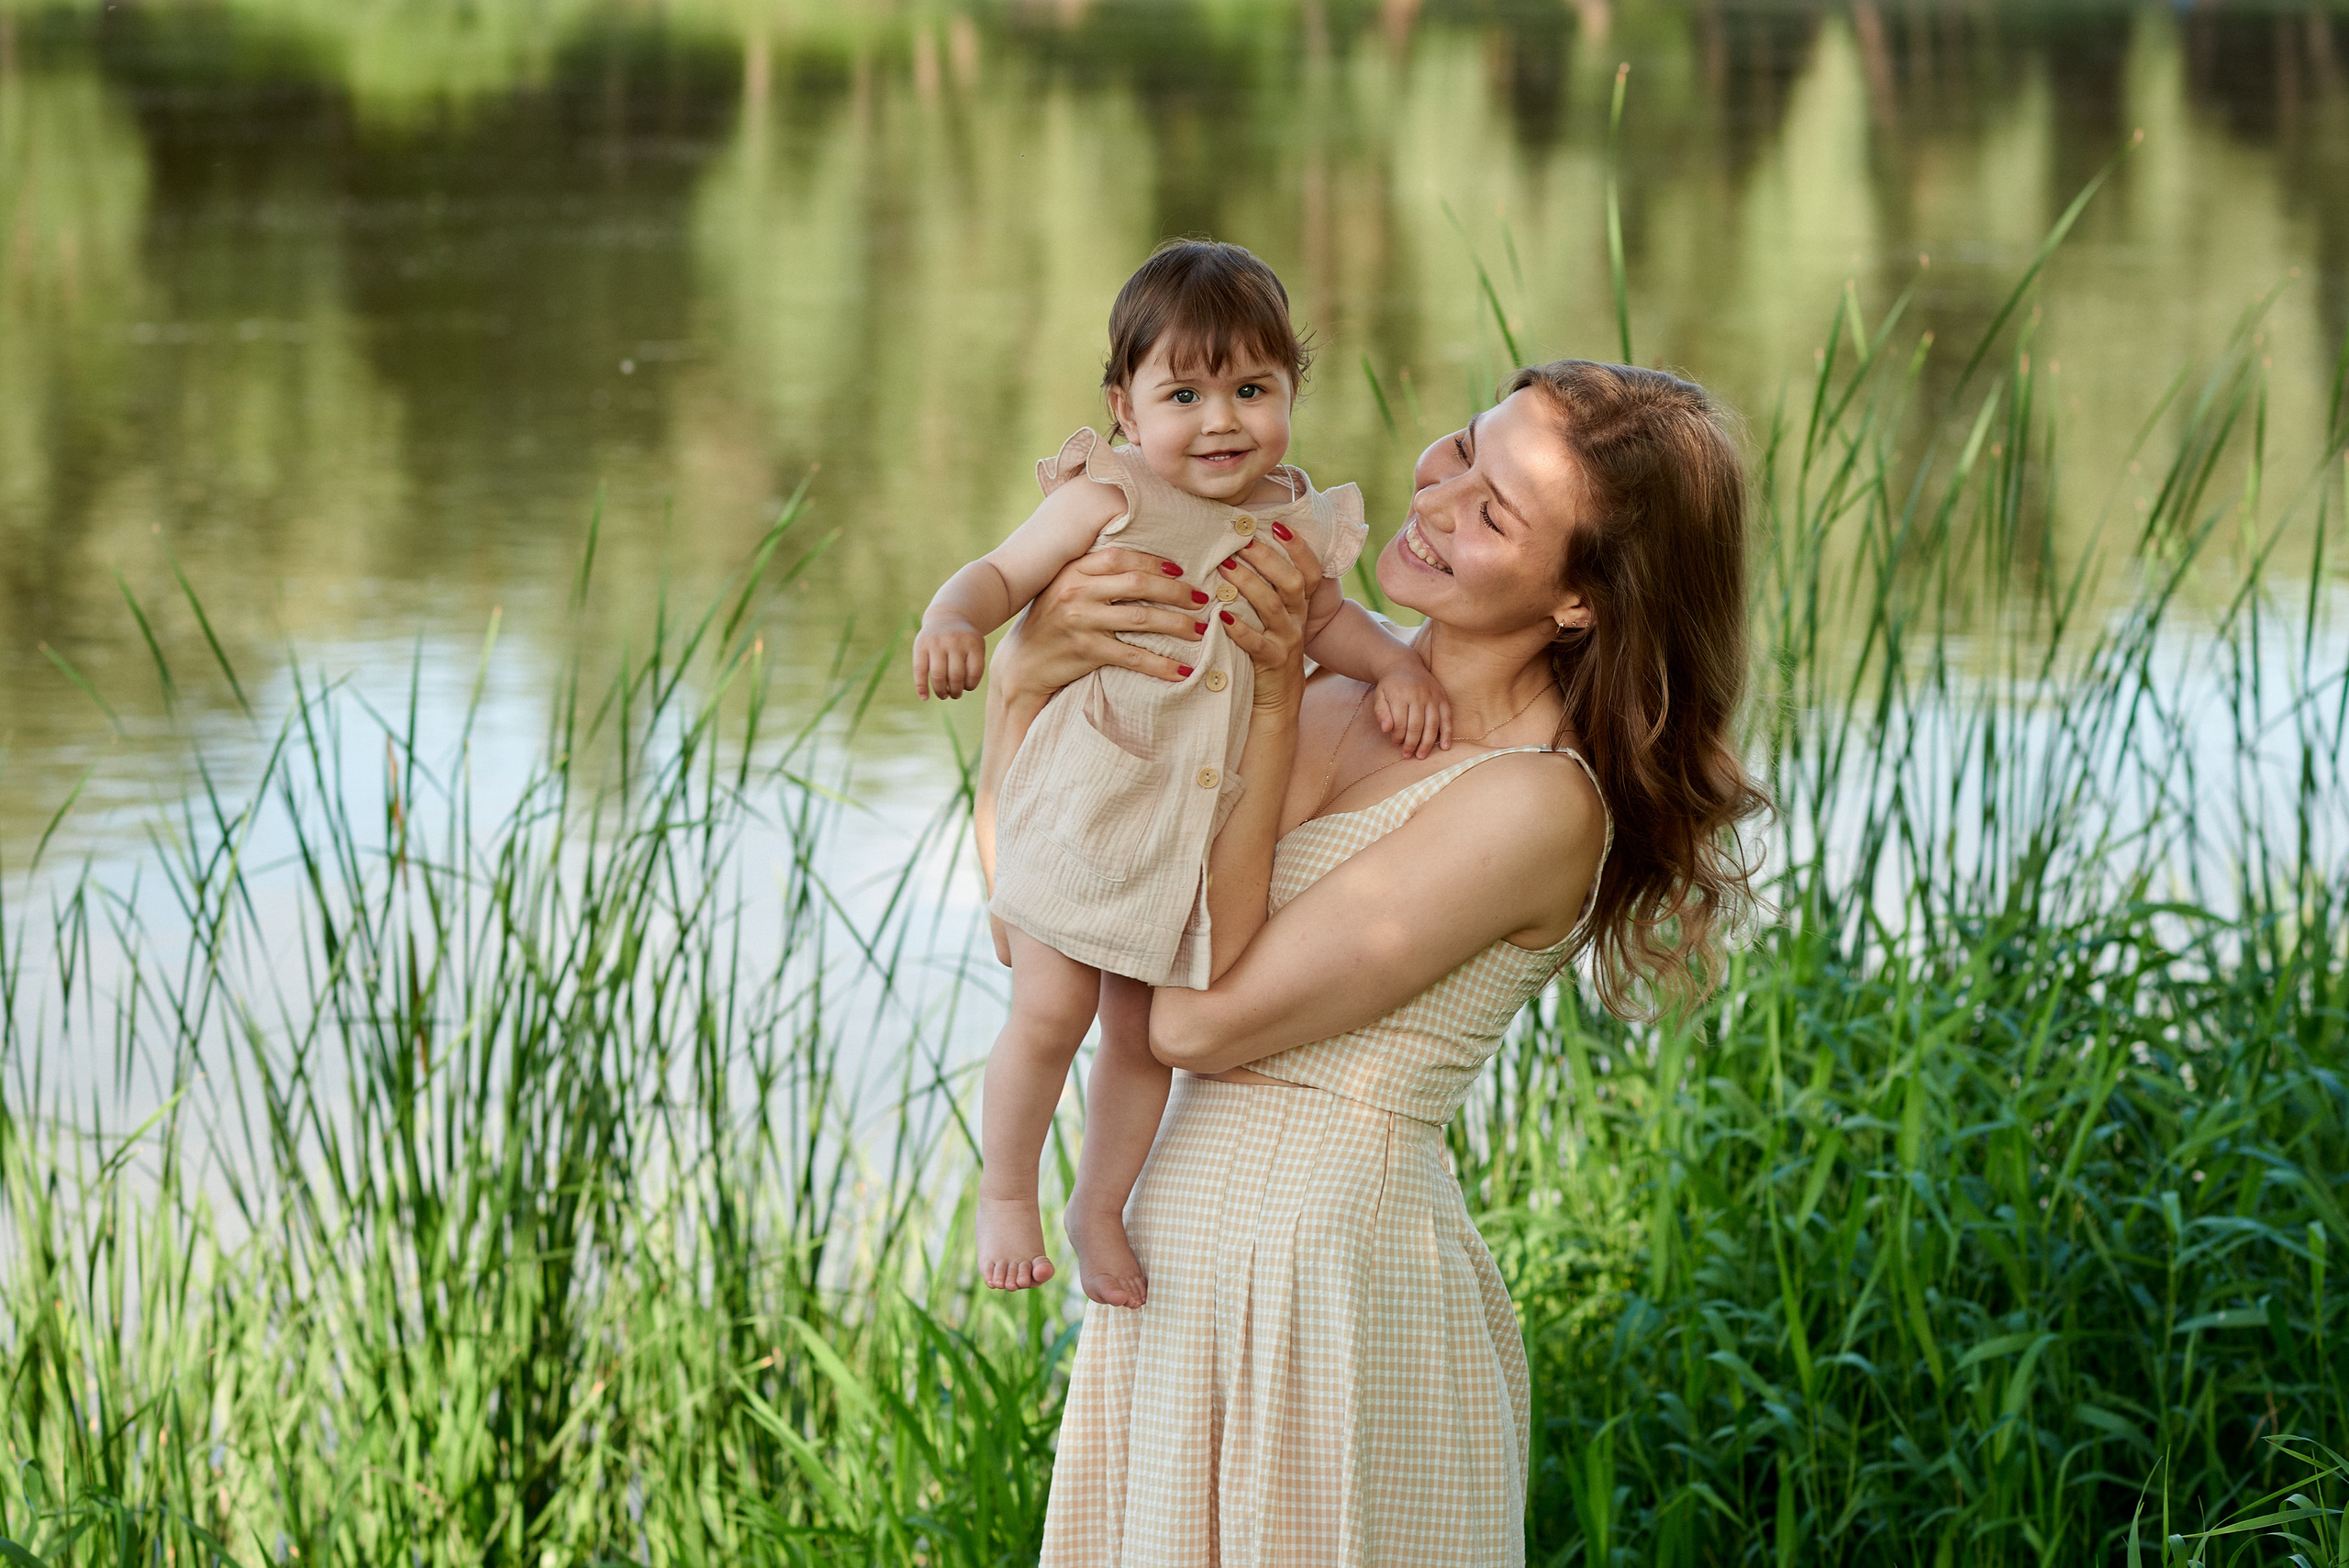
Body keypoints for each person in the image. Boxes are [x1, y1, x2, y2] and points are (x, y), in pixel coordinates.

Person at [977, 361, 1768, 1564]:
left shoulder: (1535, 807)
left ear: (1581, 603)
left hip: (1331, 1288)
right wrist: (1022, 682)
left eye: (1495, 509)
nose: (1437, 496)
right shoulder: (1321, 670)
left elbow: (1192, 1023)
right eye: (1459, 447)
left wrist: (1272, 704)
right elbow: (1040, 922)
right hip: (1177, 1270)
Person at [911, 240, 1453, 1308]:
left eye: (1254, 389)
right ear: (1124, 406)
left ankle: (1098, 1203)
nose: (1221, 421)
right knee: (1049, 1011)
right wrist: (954, 618)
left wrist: (1394, 664)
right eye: (1184, 393)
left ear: (1293, 386)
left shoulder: (1297, 518)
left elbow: (1329, 623)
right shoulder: (1110, 495)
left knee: (1140, 1037)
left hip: (1191, 839)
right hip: (1090, 806)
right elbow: (1001, 571)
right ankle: (1007, 1191)